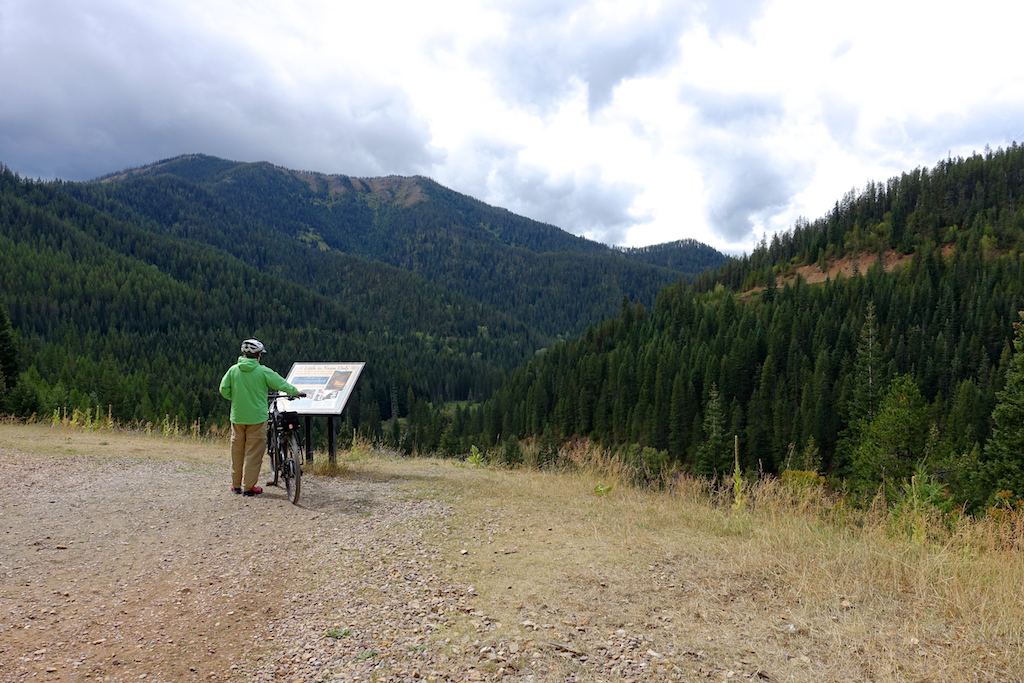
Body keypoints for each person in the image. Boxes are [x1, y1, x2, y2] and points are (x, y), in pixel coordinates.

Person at [219, 338, 303, 496]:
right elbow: (280, 383)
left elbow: (224, 390)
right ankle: (248, 487)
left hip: (237, 417)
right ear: (258, 355)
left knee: (237, 451)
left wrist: (237, 398)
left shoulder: (233, 370)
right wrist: (295, 392)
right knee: (253, 453)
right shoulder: (262, 371)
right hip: (257, 418)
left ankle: (236, 485)